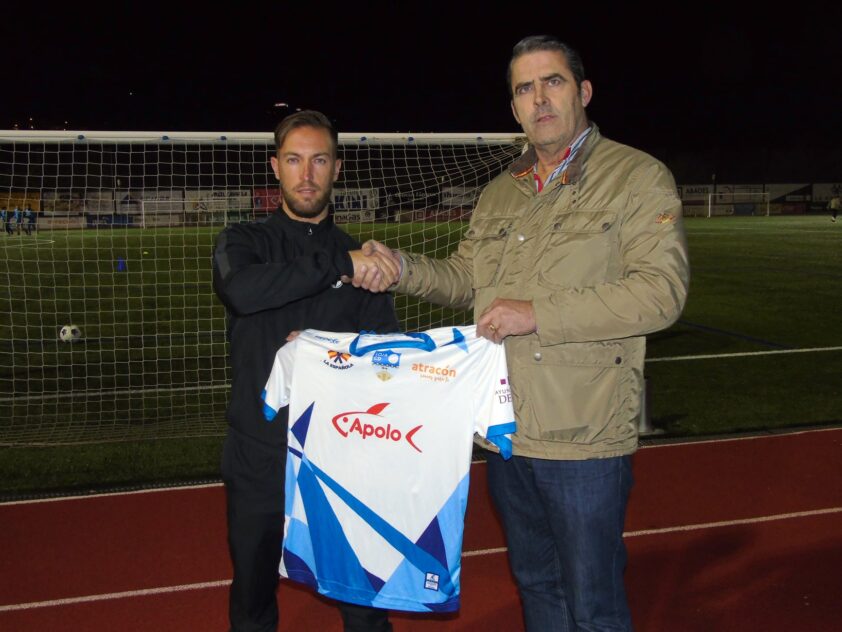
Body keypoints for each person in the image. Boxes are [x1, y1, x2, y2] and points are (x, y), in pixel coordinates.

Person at [362, 35, 690, 631]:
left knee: (593, 603)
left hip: (584, 436)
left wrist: (538, 312)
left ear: (583, 92)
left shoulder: (636, 177)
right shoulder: (500, 192)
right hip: (506, 431)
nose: (539, 98)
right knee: (537, 585)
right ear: (513, 108)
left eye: (552, 82)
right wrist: (402, 268)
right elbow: (466, 279)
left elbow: (660, 293)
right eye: (524, 89)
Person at [212, 110, 397, 632]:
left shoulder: (364, 261)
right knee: (253, 595)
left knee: (363, 601)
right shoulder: (242, 242)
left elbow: (385, 358)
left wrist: (326, 352)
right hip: (260, 452)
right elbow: (242, 291)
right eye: (294, 160)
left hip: (340, 454)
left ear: (337, 168)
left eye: (319, 160)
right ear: (276, 167)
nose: (307, 174)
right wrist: (338, 265)